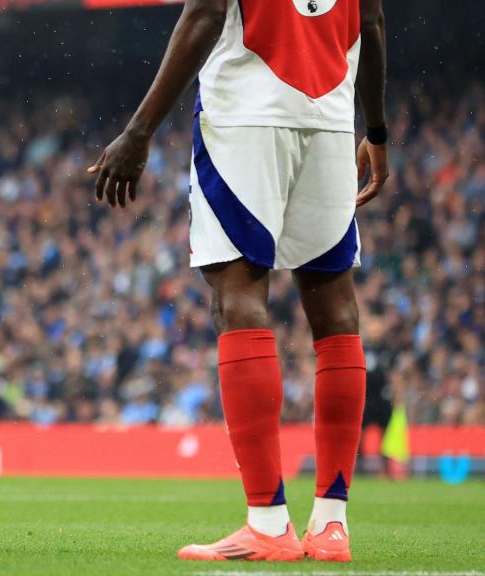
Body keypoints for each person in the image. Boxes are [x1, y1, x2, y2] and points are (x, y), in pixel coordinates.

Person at [89, 0, 387, 562]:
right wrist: (377, 131)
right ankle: (331, 527)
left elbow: (204, 12)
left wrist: (138, 129)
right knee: (335, 309)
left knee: (239, 297)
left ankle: (269, 524)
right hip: (329, 117)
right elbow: (370, 22)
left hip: (248, 111)